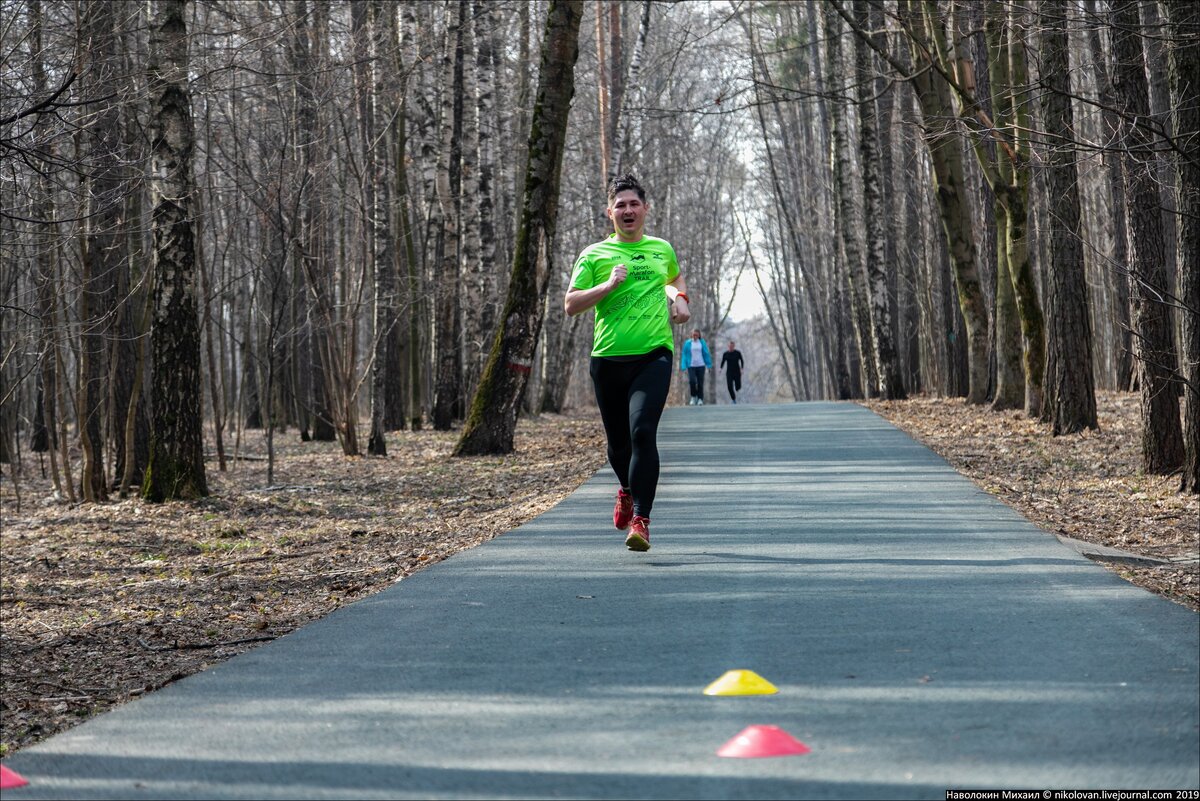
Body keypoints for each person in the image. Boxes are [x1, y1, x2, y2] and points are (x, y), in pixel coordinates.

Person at [564, 174, 690, 552]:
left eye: (634, 204)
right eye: (621, 205)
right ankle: (625, 489)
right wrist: (607, 287)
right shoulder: (594, 255)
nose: (628, 210)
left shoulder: (661, 248)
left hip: (653, 354)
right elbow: (571, 305)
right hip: (608, 358)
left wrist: (679, 297)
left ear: (646, 209)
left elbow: (672, 277)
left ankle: (641, 520)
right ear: (610, 213)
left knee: (641, 432)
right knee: (618, 445)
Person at [680, 329, 711, 405]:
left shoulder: (702, 343)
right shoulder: (688, 343)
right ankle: (693, 397)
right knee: (692, 381)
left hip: (701, 365)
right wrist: (683, 366)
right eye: (694, 335)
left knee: (700, 383)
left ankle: (700, 399)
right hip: (691, 365)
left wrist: (709, 365)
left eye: (696, 335)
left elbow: (706, 353)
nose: (695, 336)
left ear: (699, 335)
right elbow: (684, 354)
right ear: (691, 335)